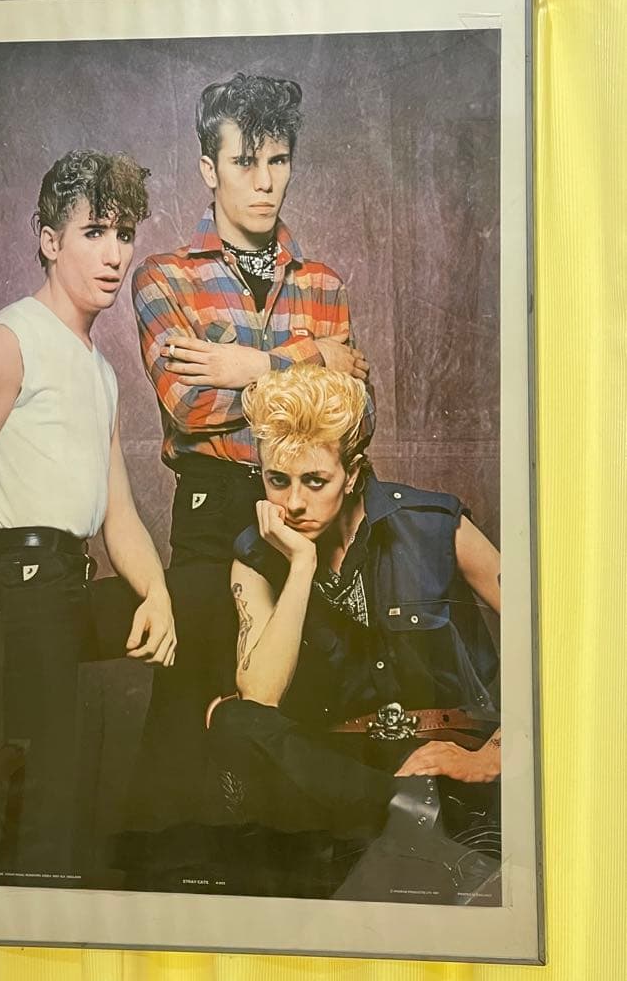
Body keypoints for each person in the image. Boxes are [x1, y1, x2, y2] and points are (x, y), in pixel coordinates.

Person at [0, 149, 176, 882]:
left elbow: (119, 516)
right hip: (18, 591)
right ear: (49, 240)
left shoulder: (99, 370)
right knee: (34, 821)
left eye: (124, 234)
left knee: (63, 817)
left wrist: (158, 593)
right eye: (94, 232)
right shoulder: (10, 340)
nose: (115, 255)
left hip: (68, 588)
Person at [206, 365, 502, 901]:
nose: (294, 503)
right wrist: (300, 565)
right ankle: (398, 812)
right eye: (277, 480)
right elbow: (261, 697)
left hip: (447, 759)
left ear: (353, 472)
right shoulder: (256, 556)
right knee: (232, 717)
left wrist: (495, 754)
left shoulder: (435, 524)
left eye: (315, 481)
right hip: (344, 776)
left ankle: (410, 822)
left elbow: (551, 638)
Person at [132, 72, 372, 567]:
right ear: (209, 169)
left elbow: (358, 416)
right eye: (244, 162)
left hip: (310, 512)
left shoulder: (323, 284)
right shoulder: (164, 278)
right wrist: (312, 359)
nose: (264, 182)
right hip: (212, 511)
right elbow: (191, 406)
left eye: (277, 161)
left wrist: (249, 367)